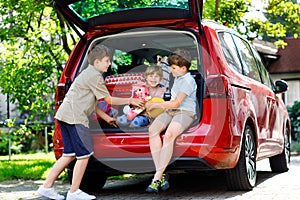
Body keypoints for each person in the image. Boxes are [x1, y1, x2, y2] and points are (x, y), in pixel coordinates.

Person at [37, 45, 144, 200]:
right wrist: (131, 100)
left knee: (69, 154)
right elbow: (108, 100)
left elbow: (93, 103)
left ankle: (46, 187)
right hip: (76, 117)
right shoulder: (95, 76)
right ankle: (74, 192)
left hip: (65, 115)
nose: (109, 64)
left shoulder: (87, 73)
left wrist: (107, 118)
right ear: (97, 62)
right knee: (84, 155)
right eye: (107, 61)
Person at [145, 49, 197, 193]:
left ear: (183, 68)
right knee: (152, 130)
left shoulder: (188, 80)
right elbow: (171, 106)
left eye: (173, 68)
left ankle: (156, 178)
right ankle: (161, 174)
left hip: (185, 112)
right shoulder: (178, 78)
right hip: (171, 111)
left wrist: (155, 104)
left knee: (168, 135)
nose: (171, 70)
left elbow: (175, 103)